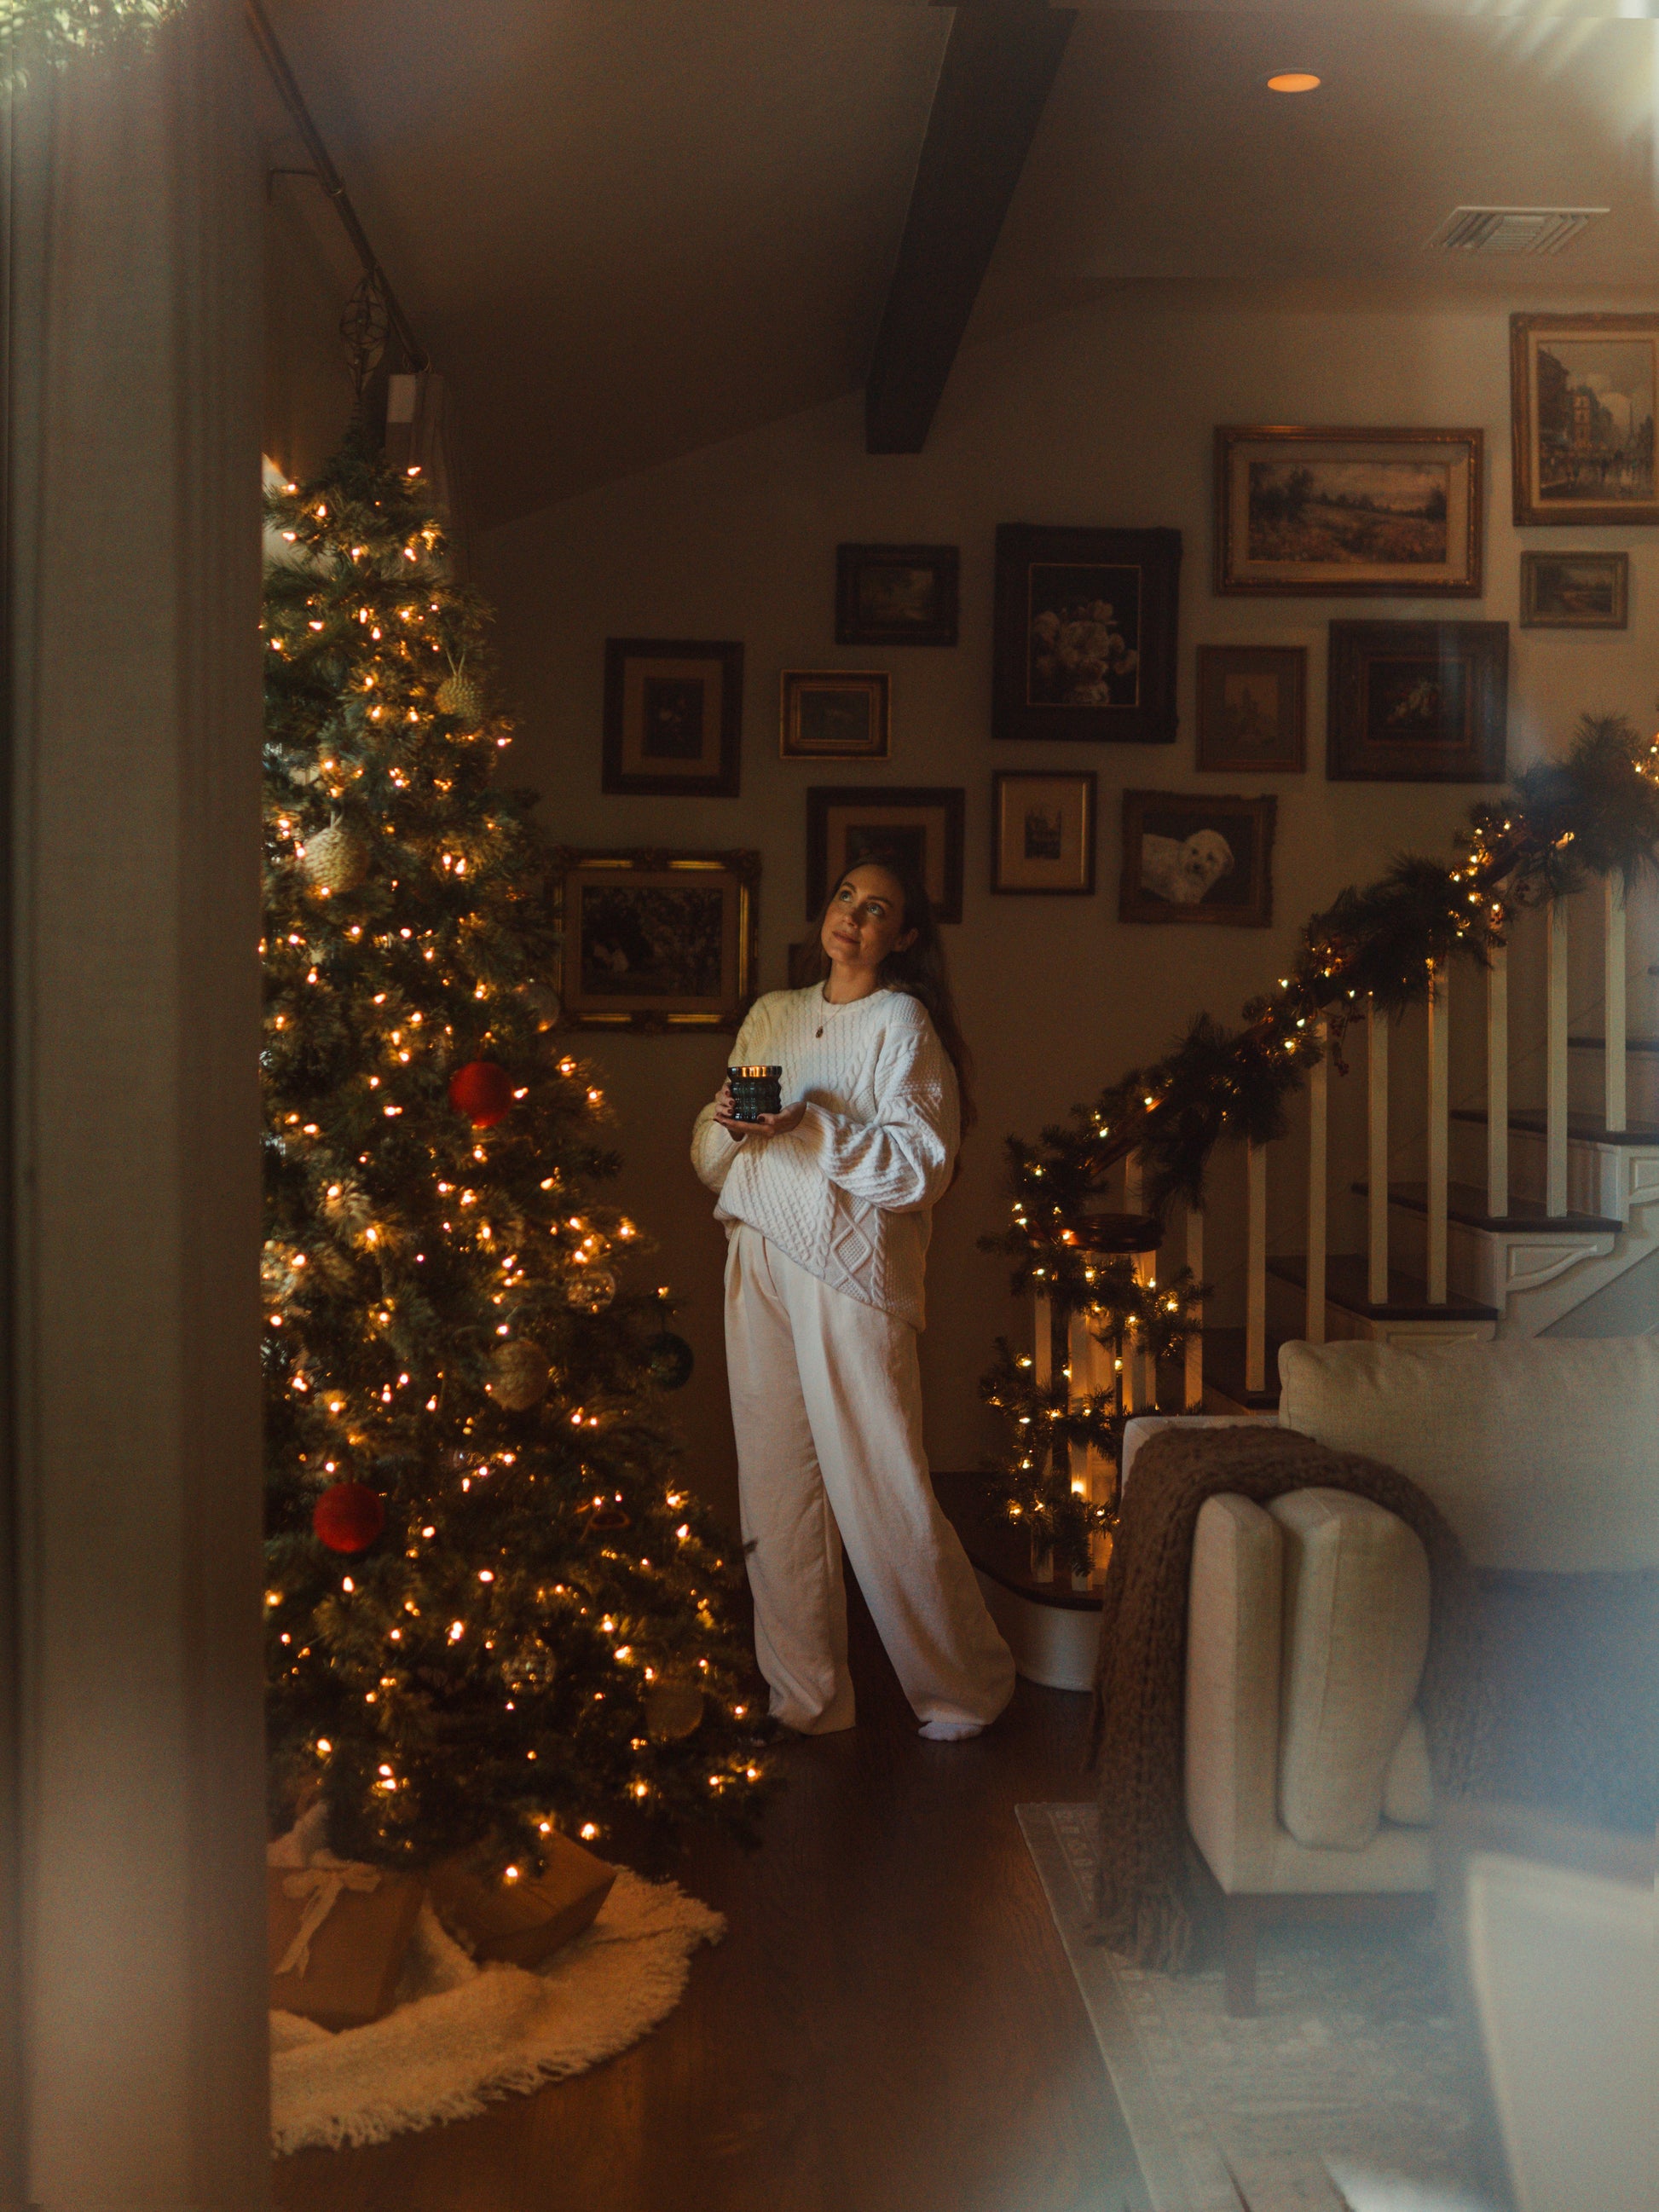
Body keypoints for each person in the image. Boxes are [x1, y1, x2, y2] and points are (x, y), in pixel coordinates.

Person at [690, 853, 1015, 1741]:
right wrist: (728, 1127)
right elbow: (707, 1152)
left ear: (900, 938)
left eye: (877, 910)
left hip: (847, 1269)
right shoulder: (772, 1014)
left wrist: (812, 1124)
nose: (853, 918)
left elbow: (920, 1172)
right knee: (774, 1483)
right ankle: (805, 1694)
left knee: (881, 1485)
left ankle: (964, 1687)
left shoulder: (902, 1025)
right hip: (756, 1246)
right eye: (844, 896)